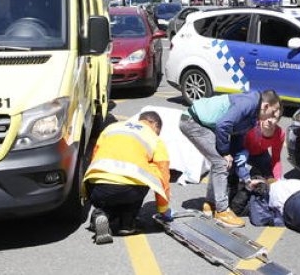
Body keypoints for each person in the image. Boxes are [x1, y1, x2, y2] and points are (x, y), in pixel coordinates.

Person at [180, 89, 281, 227]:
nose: (274, 116)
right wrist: (224, 152)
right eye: (273, 112)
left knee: (221, 162)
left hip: (201, 123)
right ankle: (222, 211)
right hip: (192, 122)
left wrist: (246, 178)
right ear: (265, 106)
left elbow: (237, 138)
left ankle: (210, 203)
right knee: (221, 162)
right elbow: (223, 125)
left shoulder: (253, 117)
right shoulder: (249, 103)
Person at [83, 112, 171, 244]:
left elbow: (95, 156)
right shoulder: (154, 139)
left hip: (96, 188)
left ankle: (102, 214)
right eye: (158, 131)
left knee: (111, 196)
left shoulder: (111, 127)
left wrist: (86, 193)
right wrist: (163, 209)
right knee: (148, 173)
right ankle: (127, 224)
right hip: (129, 189)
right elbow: (162, 174)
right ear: (154, 125)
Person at [229, 112, 285, 215]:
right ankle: (229, 194)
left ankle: (260, 195)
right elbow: (237, 144)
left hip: (260, 154)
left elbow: (276, 159)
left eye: (274, 118)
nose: (270, 120)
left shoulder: (279, 133)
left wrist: (277, 179)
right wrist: (245, 177)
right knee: (233, 174)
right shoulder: (252, 127)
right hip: (242, 151)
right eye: (268, 116)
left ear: (278, 120)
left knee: (270, 178)